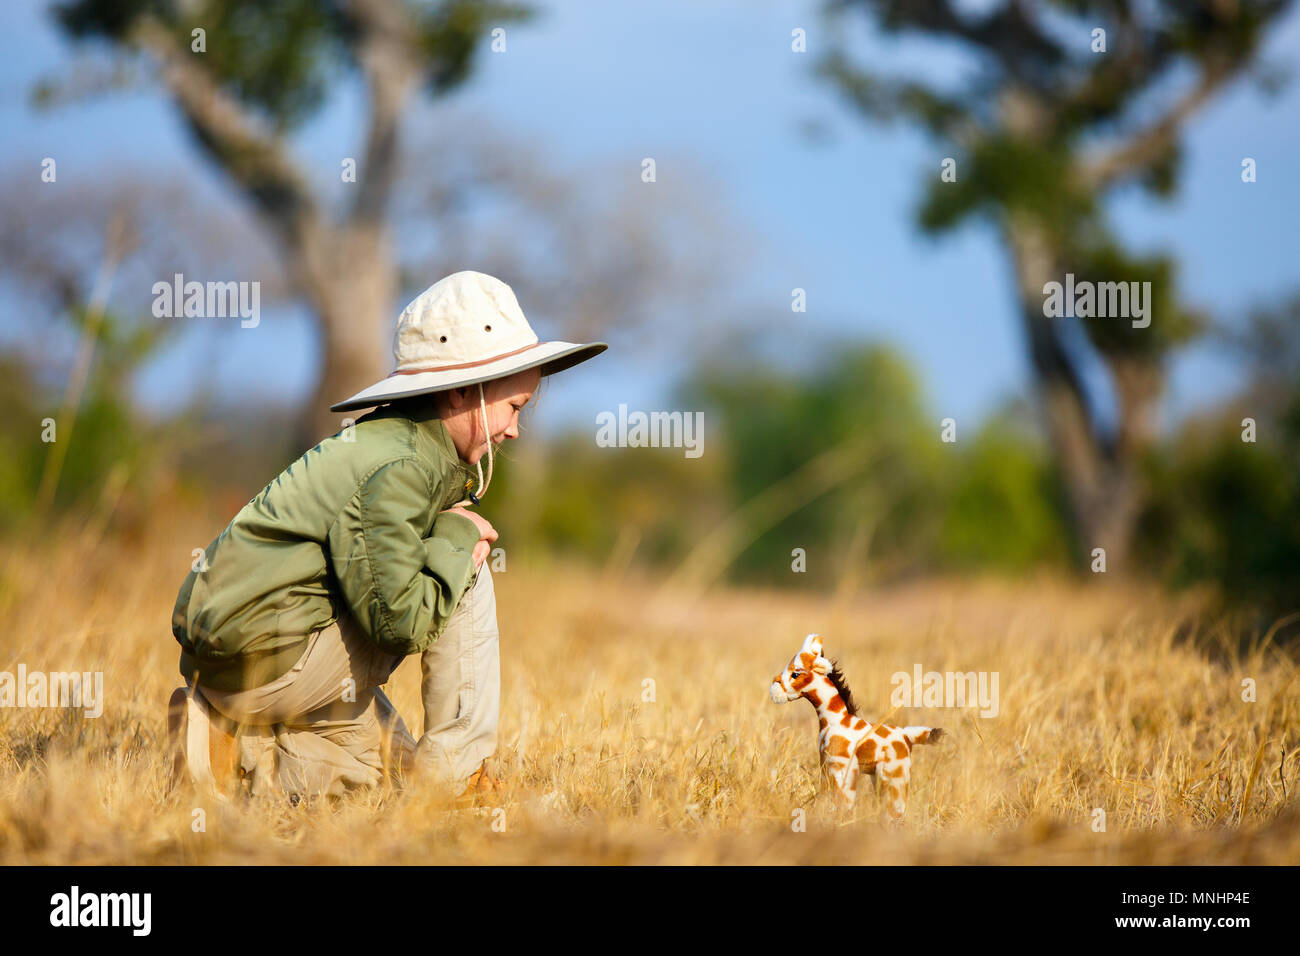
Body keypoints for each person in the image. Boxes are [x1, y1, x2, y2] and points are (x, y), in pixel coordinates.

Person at [166, 270, 606, 804]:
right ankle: (460, 778)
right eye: (514, 408)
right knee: (466, 564)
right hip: (272, 657)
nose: (514, 430)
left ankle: (222, 741)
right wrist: (455, 539)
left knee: (384, 776)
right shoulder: (399, 467)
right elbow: (396, 621)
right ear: (466, 390)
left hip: (246, 662)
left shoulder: (394, 444)